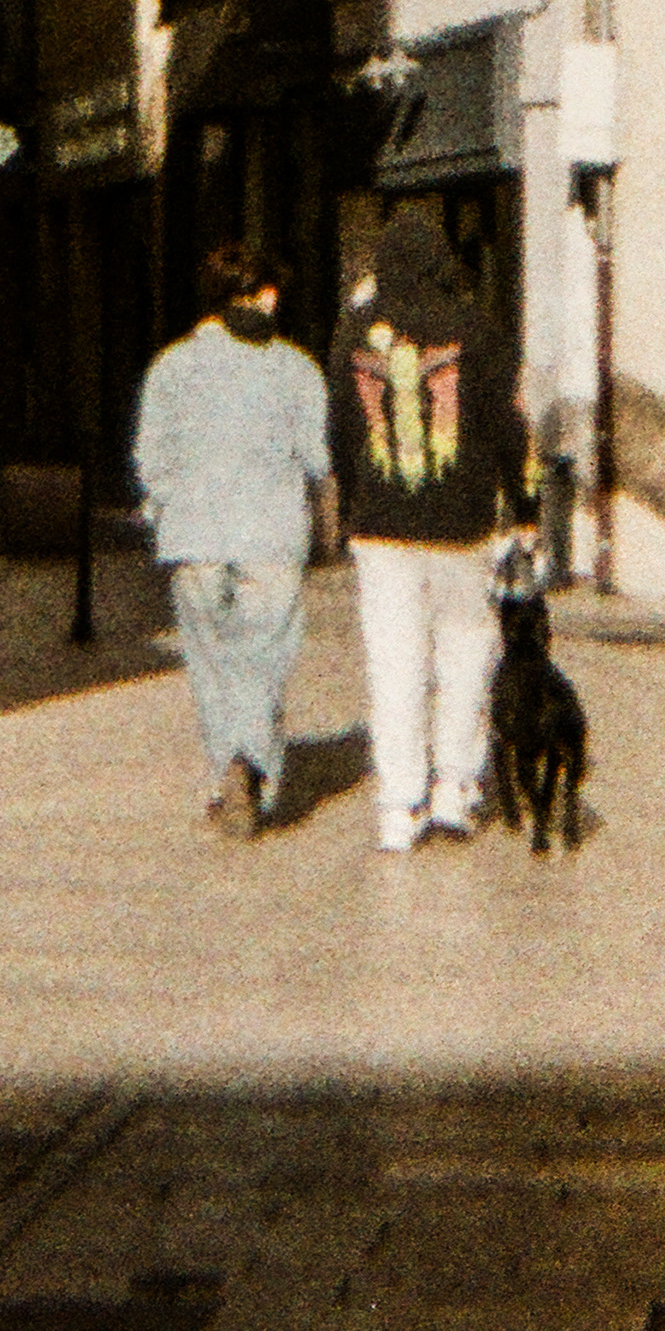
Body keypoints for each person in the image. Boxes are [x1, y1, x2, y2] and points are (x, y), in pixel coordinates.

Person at [333, 201, 531, 854]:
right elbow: (508, 424)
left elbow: (341, 427)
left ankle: (400, 804)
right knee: (466, 653)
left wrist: (349, 502)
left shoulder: (355, 329)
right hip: (461, 523)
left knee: (394, 662)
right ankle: (454, 788)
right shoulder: (476, 327)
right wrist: (524, 505)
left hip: (380, 526)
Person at [132, 240, 334, 839]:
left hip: (195, 535)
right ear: (267, 296)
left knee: (212, 659)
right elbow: (317, 459)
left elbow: (150, 457)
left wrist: (168, 502)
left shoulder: (172, 366)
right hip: (272, 533)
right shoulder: (298, 369)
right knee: (264, 654)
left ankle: (229, 770)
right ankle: (251, 758)